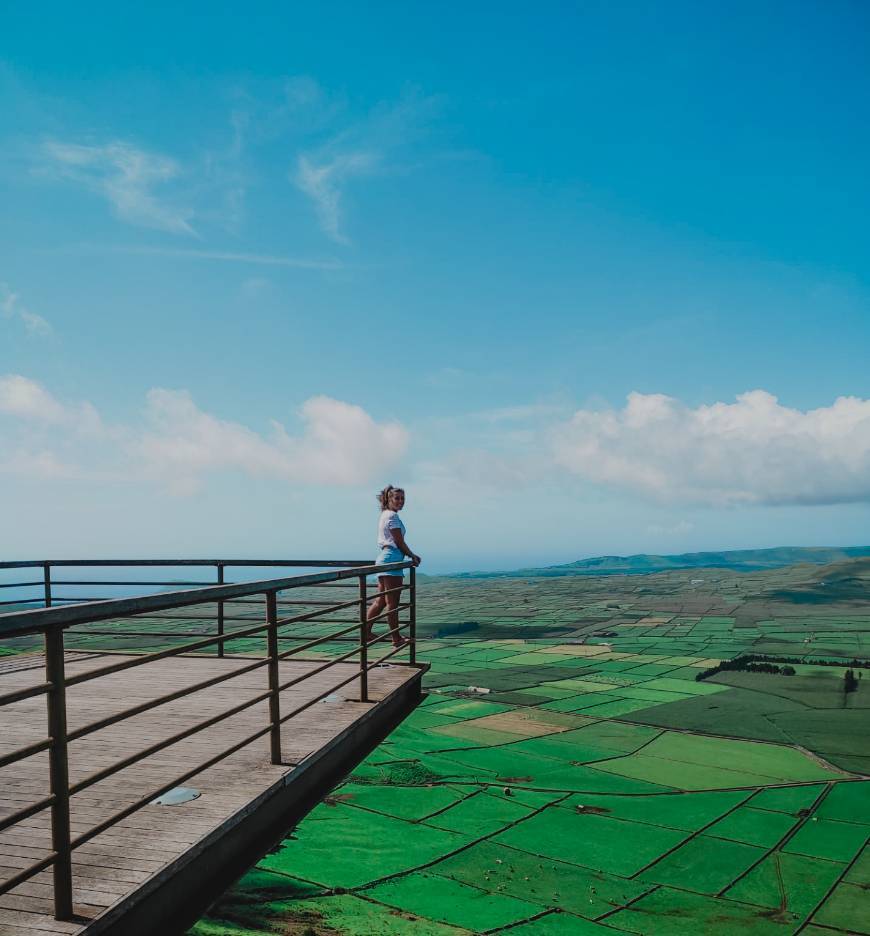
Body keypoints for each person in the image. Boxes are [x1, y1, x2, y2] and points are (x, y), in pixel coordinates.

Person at [367, 485, 421, 648]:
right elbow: (399, 542)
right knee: (392, 602)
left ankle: (366, 631)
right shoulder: (392, 517)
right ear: (389, 500)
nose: (400, 501)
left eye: (402, 498)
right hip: (392, 561)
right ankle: (396, 638)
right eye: (397, 498)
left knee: (381, 601)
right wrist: (412, 555)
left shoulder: (386, 515)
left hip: (386, 559)